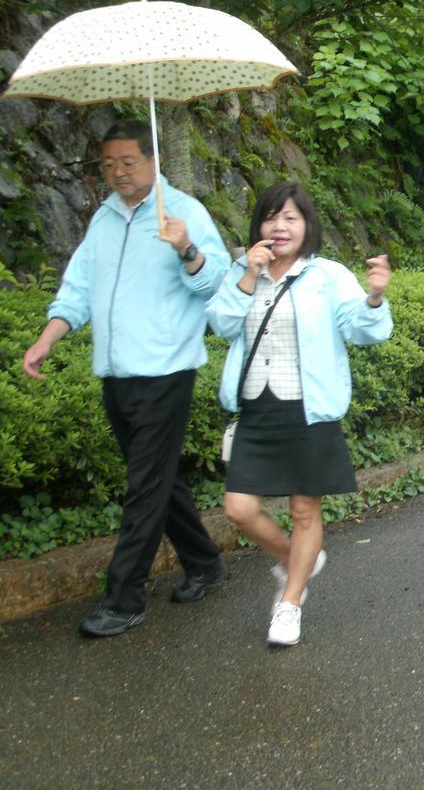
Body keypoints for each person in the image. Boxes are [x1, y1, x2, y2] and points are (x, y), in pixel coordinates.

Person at [22, 118, 232, 637]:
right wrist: (47, 338)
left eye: (128, 162)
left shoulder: (185, 213)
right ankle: (205, 562)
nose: (117, 172)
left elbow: (223, 288)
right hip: (115, 373)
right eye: (109, 163)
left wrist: (187, 250)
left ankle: (124, 599)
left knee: (144, 486)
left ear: (153, 160)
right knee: (160, 480)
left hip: (166, 370)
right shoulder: (104, 221)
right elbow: (77, 289)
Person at [206, 182, 392, 647]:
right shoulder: (243, 270)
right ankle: (298, 560)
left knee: (304, 510)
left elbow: (361, 330)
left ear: (307, 224)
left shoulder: (326, 275)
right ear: (259, 226)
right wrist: (247, 277)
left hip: (309, 408)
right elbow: (221, 325)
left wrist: (373, 298)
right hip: (257, 408)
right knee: (239, 507)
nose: (280, 226)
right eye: (271, 217)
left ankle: (289, 603)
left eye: (290, 217)